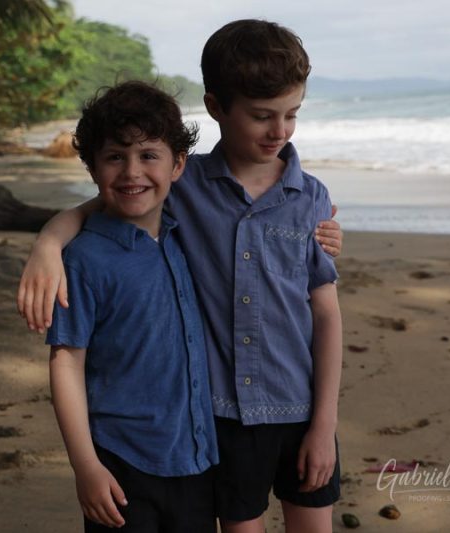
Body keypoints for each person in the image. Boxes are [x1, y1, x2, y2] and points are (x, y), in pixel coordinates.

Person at [23, 19, 344, 533]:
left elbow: (325, 313)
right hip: (225, 417)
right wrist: (49, 240)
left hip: (302, 406)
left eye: (291, 114)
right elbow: (115, 196)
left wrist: (325, 423)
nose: (279, 131)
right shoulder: (184, 182)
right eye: (262, 116)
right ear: (216, 107)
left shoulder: (312, 199)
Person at [46, 81, 219, 533]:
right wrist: (85, 466)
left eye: (148, 155)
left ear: (178, 164)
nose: (131, 172)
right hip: (120, 463)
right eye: (114, 157)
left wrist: (318, 227)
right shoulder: (84, 259)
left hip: (197, 458)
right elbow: (66, 362)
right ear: (92, 168)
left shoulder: (188, 235)